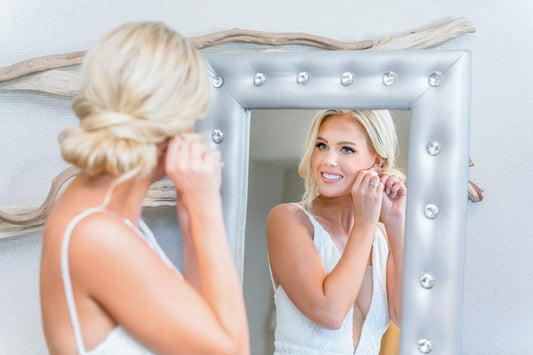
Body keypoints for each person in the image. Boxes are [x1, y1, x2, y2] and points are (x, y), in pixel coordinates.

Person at [40, 22, 249, 355]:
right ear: (176, 122)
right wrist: (206, 208)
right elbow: (232, 350)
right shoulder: (97, 234)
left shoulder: (100, 207)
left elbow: (200, 330)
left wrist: (189, 214)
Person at [266, 109, 406, 355]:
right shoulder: (289, 220)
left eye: (347, 149)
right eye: (321, 145)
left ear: (376, 161)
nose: (328, 160)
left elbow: (405, 316)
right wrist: (365, 223)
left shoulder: (383, 236)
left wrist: (395, 226)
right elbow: (329, 313)